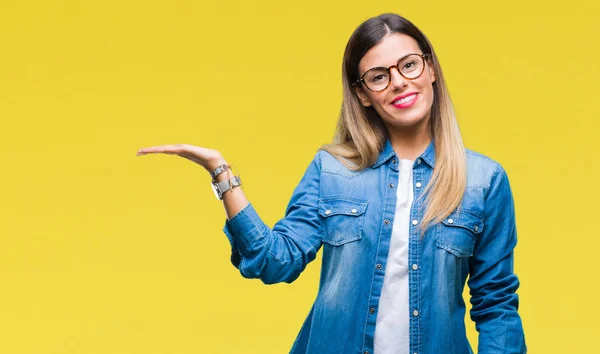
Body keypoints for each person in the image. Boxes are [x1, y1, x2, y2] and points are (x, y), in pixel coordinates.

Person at [137, 13, 526, 354]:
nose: (398, 82)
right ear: (363, 94)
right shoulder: (333, 170)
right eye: (379, 76)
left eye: (409, 65)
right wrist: (222, 174)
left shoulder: (483, 181)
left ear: (431, 69)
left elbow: (496, 306)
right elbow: (274, 261)